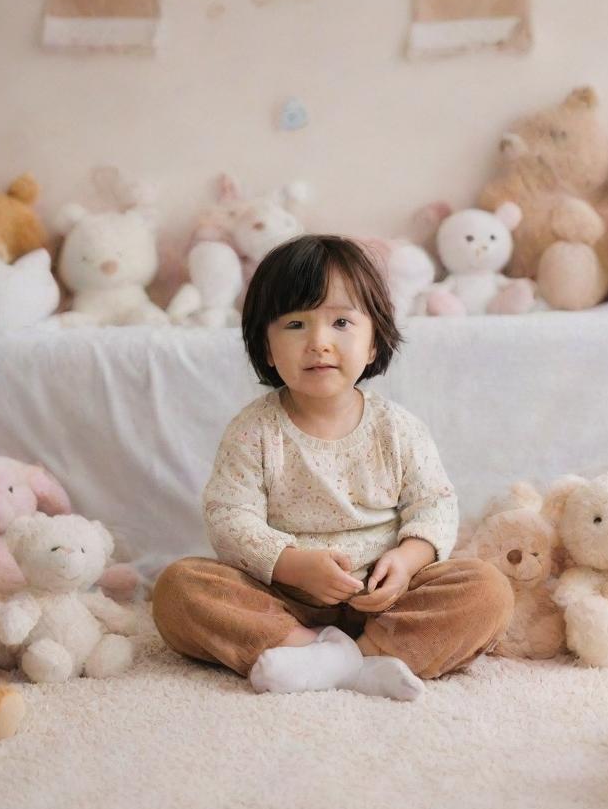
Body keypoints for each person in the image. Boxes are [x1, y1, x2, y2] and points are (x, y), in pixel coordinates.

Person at [152, 234, 513, 700]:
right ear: (265, 347)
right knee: (179, 590)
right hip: (285, 598)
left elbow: (435, 505)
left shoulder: (397, 428)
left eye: (341, 321)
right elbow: (228, 516)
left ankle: (358, 655)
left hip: (387, 598)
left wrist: (406, 562)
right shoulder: (254, 430)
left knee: (487, 590)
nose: (319, 342)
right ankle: (320, 652)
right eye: (296, 324)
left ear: (373, 343)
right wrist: (292, 566)